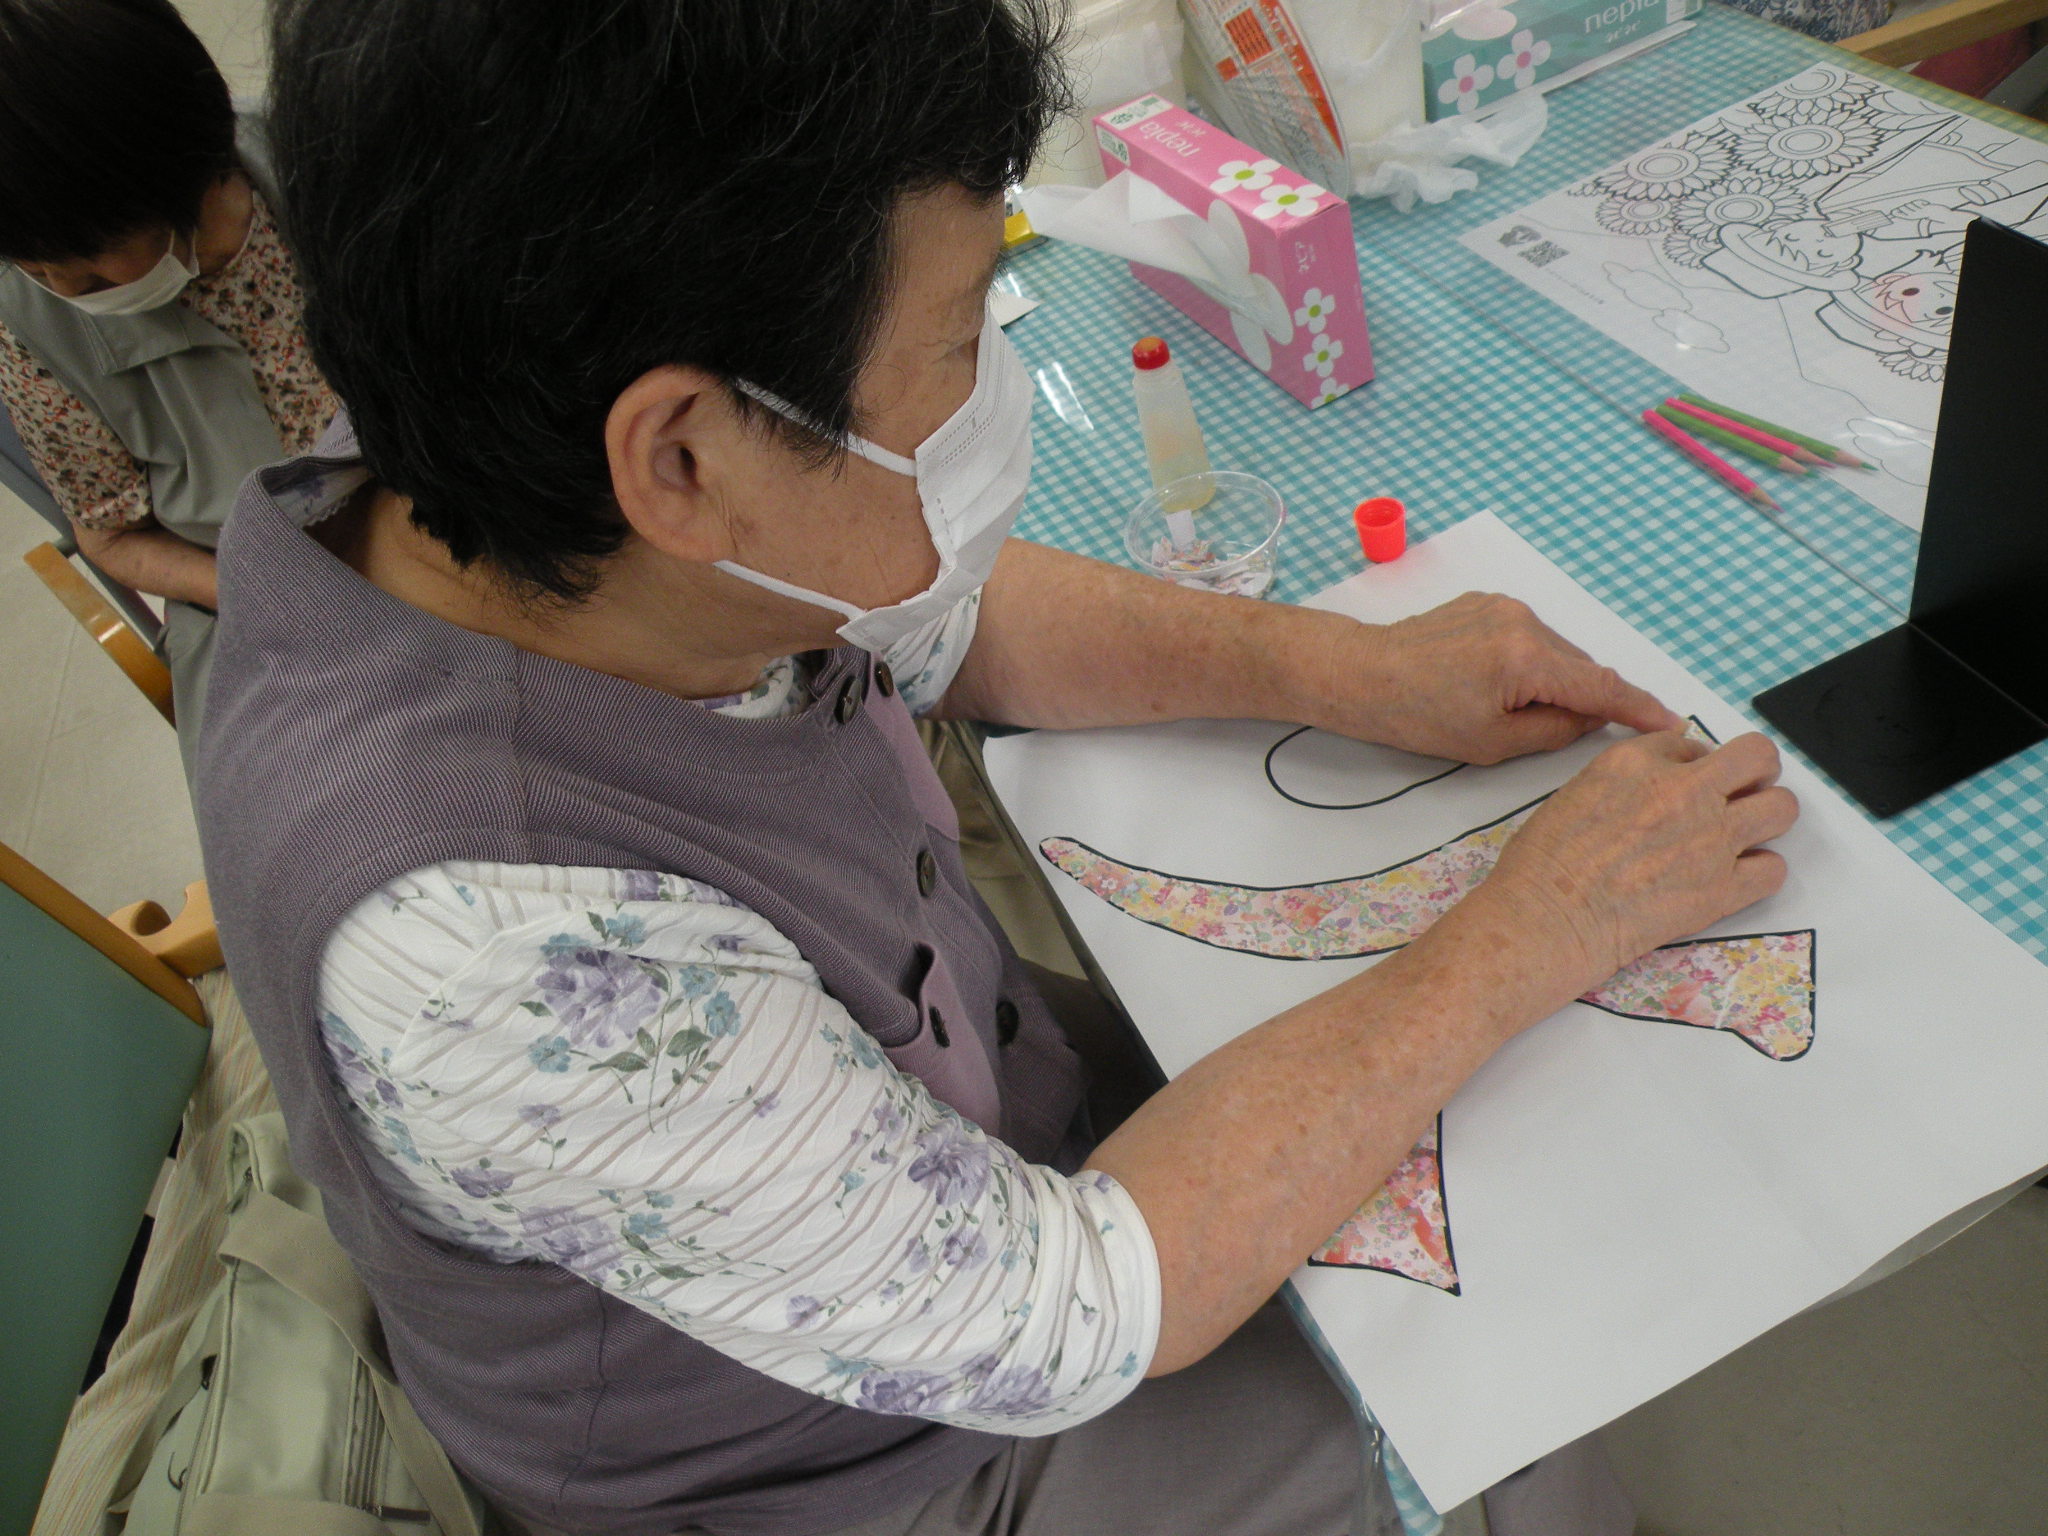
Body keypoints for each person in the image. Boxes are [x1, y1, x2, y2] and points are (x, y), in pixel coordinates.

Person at [195, 2, 1800, 1533]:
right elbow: (1074, 1300)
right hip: (847, 1460)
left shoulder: (513, 453)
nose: (989, 390)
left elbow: (923, 609)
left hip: (966, 1109)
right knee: (1479, 1364)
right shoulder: (503, 959)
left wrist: (1346, 666)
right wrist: (1535, 926)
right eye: (961, 337)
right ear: (683, 459)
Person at [0, 0, 337, 771]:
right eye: (30, 262)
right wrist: (262, 591)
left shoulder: (328, 165)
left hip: (437, 509)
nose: (59, 285)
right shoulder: (29, 320)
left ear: (176, 173)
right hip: (245, 585)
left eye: (85, 261)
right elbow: (111, 535)